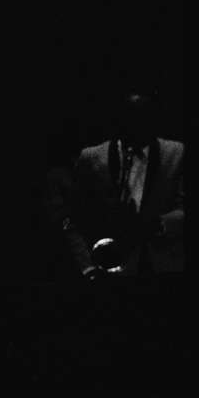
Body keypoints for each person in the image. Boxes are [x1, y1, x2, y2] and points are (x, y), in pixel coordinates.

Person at [61, 90, 185, 281]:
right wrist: (88, 267)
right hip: (106, 271)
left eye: (144, 117)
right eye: (131, 118)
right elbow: (72, 216)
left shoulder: (177, 153)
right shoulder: (91, 157)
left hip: (164, 267)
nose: (137, 126)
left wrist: (157, 225)